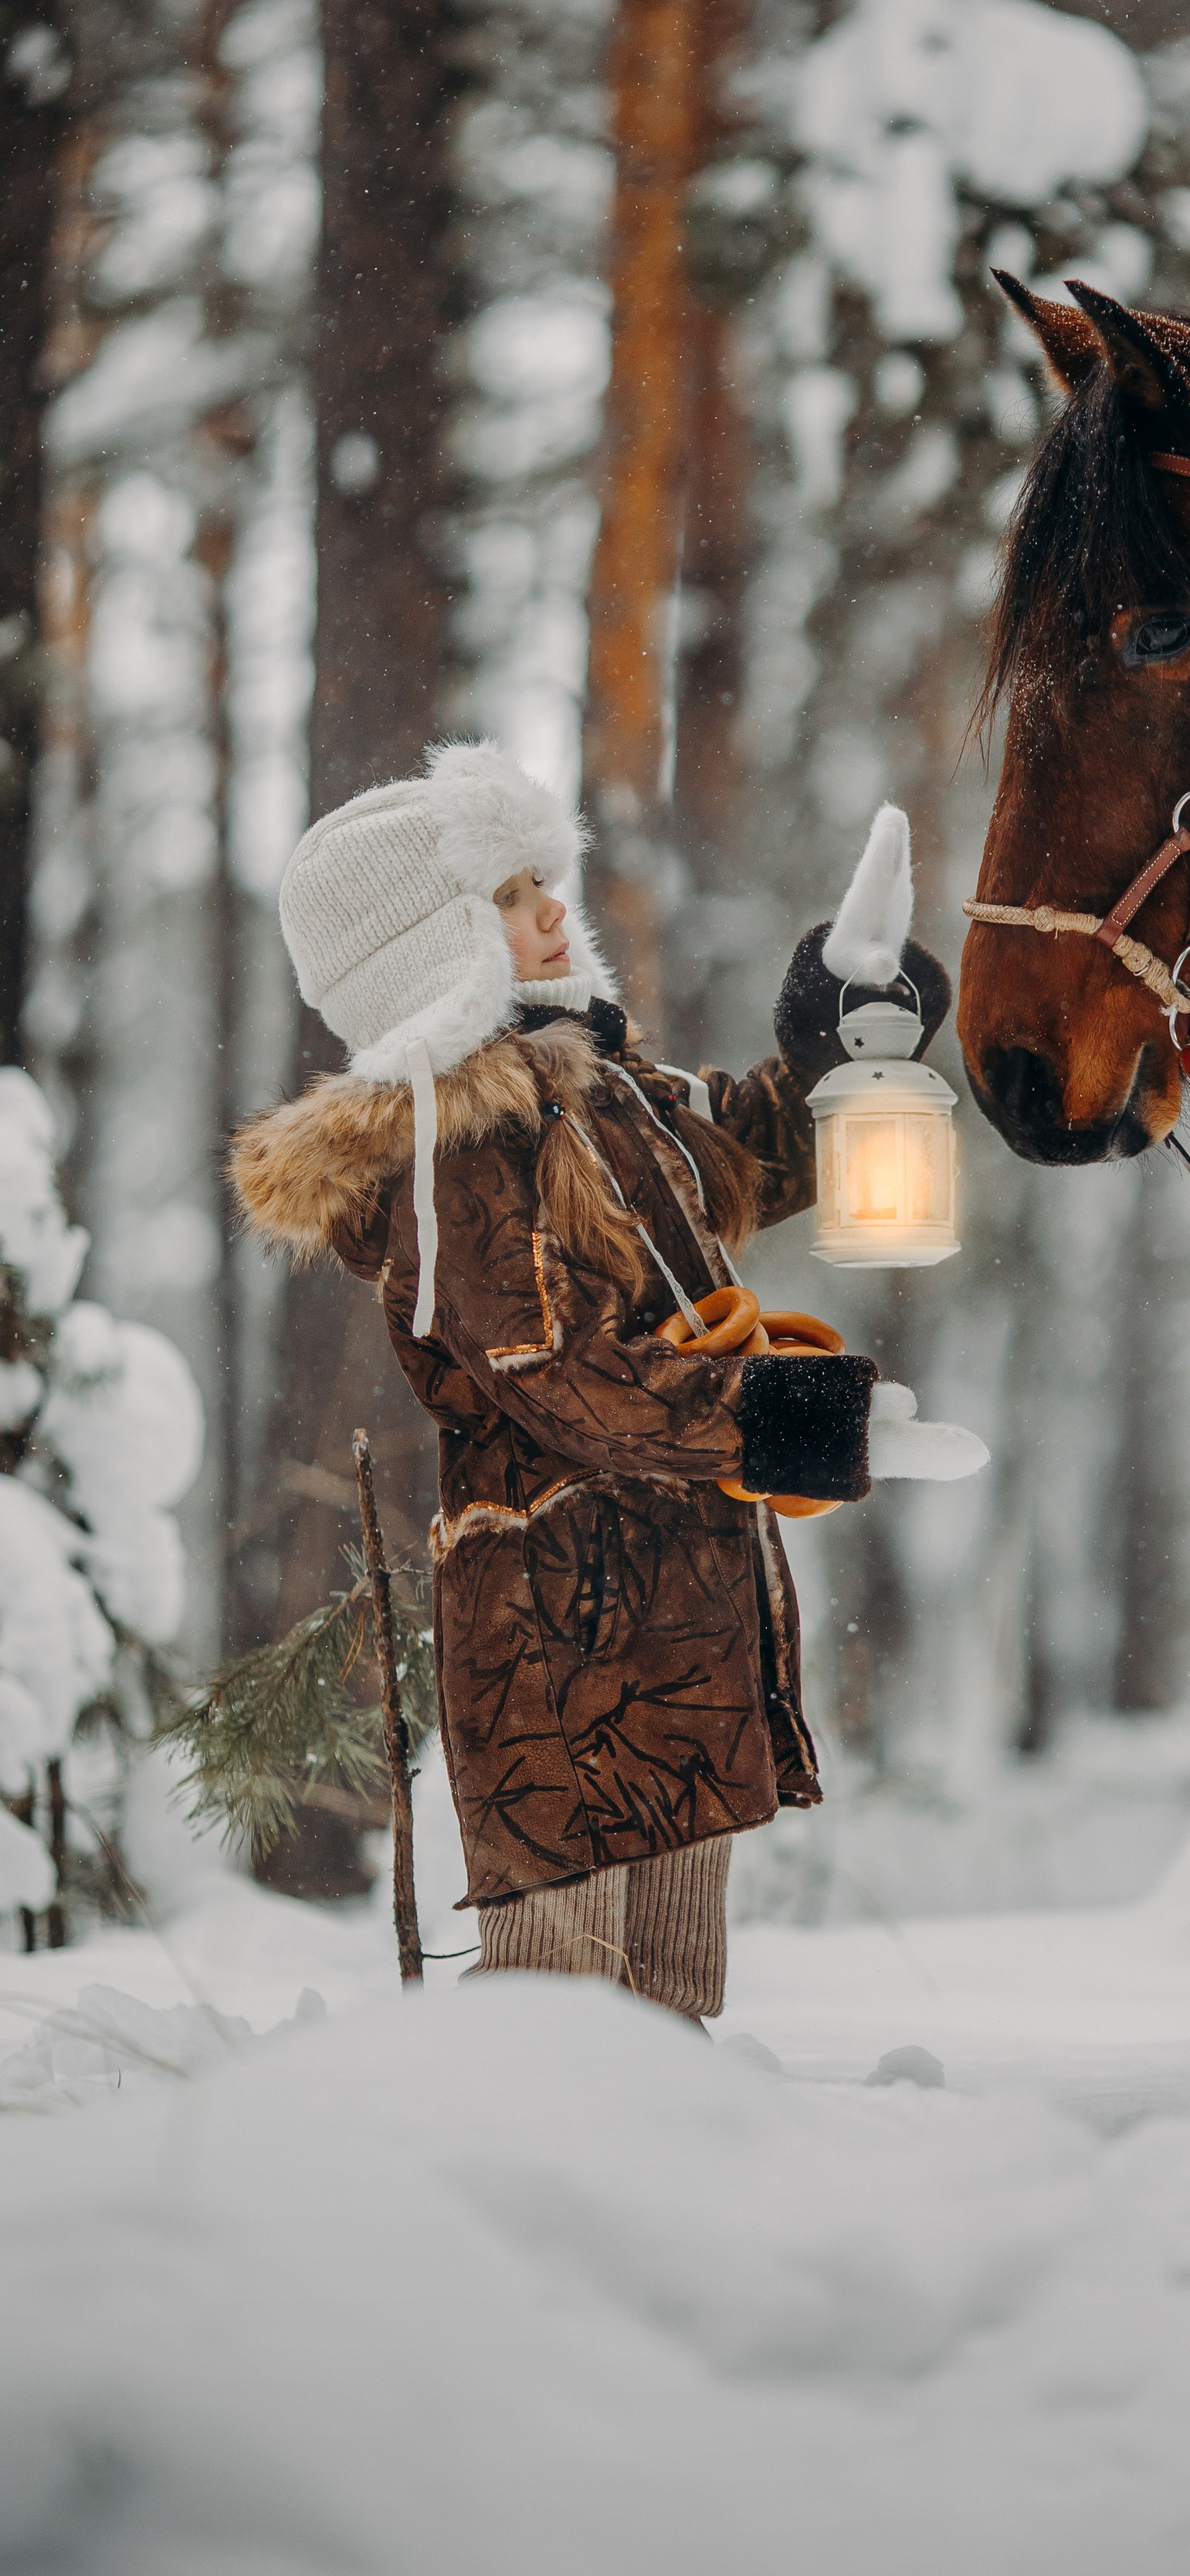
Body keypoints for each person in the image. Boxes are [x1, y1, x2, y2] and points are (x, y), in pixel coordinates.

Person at [231, 741, 954, 2018]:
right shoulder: (456, 1147)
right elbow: (563, 1379)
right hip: (561, 1643)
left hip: (673, 1617)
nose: (553, 910)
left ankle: (666, 2208)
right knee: (562, 2023)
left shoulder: (597, 1090)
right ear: (431, 944)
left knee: (671, 2016)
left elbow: (734, 1154)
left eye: (539, 883)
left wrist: (837, 1036)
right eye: (510, 897)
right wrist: (792, 1419)